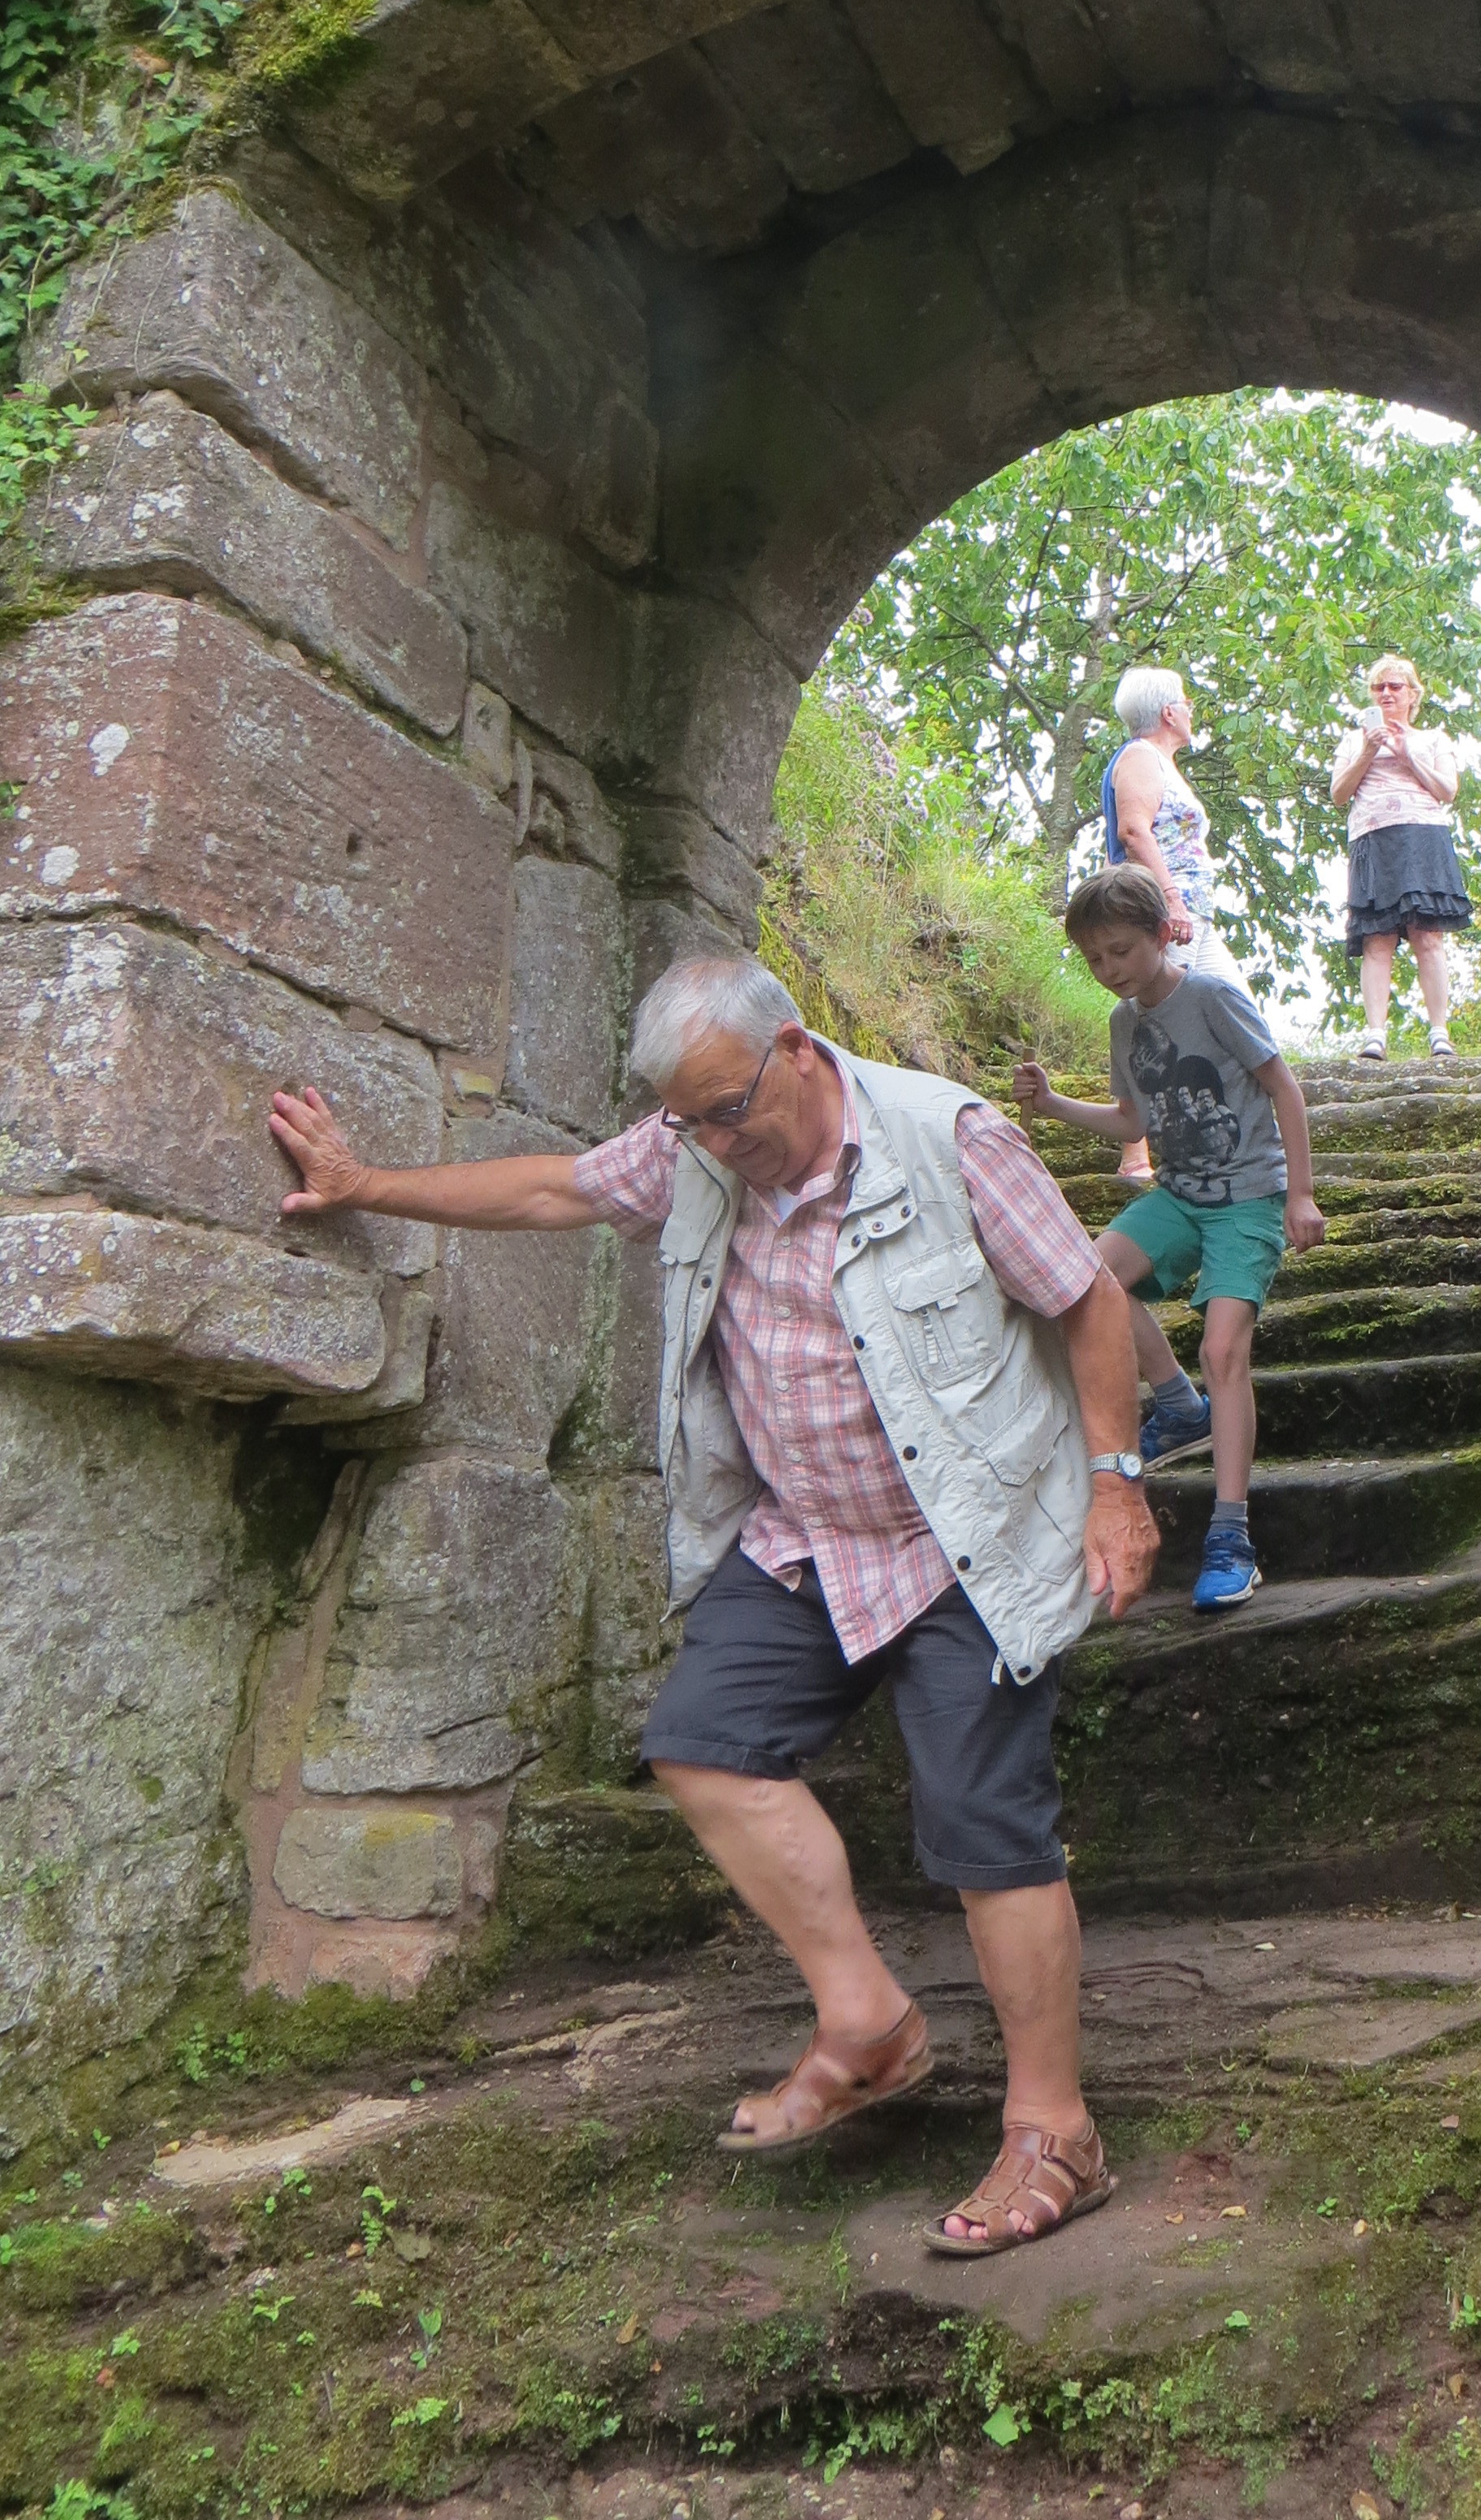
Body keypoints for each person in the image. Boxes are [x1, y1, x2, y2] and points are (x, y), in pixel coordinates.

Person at [269, 955, 1161, 2260]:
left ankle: (1055, 2132)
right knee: (701, 1741)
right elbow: (553, 1187)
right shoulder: (694, 1146)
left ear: (795, 1048)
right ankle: (867, 2023)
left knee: (987, 1828)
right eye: (689, 1122)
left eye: (730, 1111)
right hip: (806, 1539)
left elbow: (1088, 1300)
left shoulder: (949, 1139)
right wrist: (363, 1185)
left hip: (971, 1536)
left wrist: (1117, 1486)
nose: (715, 1145)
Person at [1014, 867, 1323, 1611]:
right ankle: (1180, 1408)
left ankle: (1231, 1536)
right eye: (1094, 958)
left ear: (1161, 934)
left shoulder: (1212, 998)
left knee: (1223, 1351)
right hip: (1180, 1196)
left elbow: (1283, 1087)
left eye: (1120, 951)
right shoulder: (1124, 1024)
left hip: (1248, 1198)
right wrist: (1052, 1104)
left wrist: (1301, 1193)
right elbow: (1133, 1122)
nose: (1108, 969)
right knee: (1087, 1280)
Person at [1099, 665, 1244, 1182]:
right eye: (1185, 701)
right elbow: (1134, 831)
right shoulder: (1140, 756)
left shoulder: (1161, 762)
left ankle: (1239, 1140)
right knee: (1150, 1017)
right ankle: (1134, 1155)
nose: (1190, 709)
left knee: (1236, 1008)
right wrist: (1169, 898)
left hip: (1192, 915)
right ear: (1167, 712)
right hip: (1164, 914)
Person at [1329, 653, 1470, 1063]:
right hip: (1372, 839)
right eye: (1379, 687)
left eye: (1395, 686)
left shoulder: (1434, 739)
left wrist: (1408, 755)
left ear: (1413, 694)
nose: (1387, 693)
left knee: (1428, 936)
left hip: (1423, 837)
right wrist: (1368, 752)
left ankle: (1440, 1033)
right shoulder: (1354, 741)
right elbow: (1338, 794)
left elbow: (1447, 790)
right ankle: (1376, 1036)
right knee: (1377, 940)